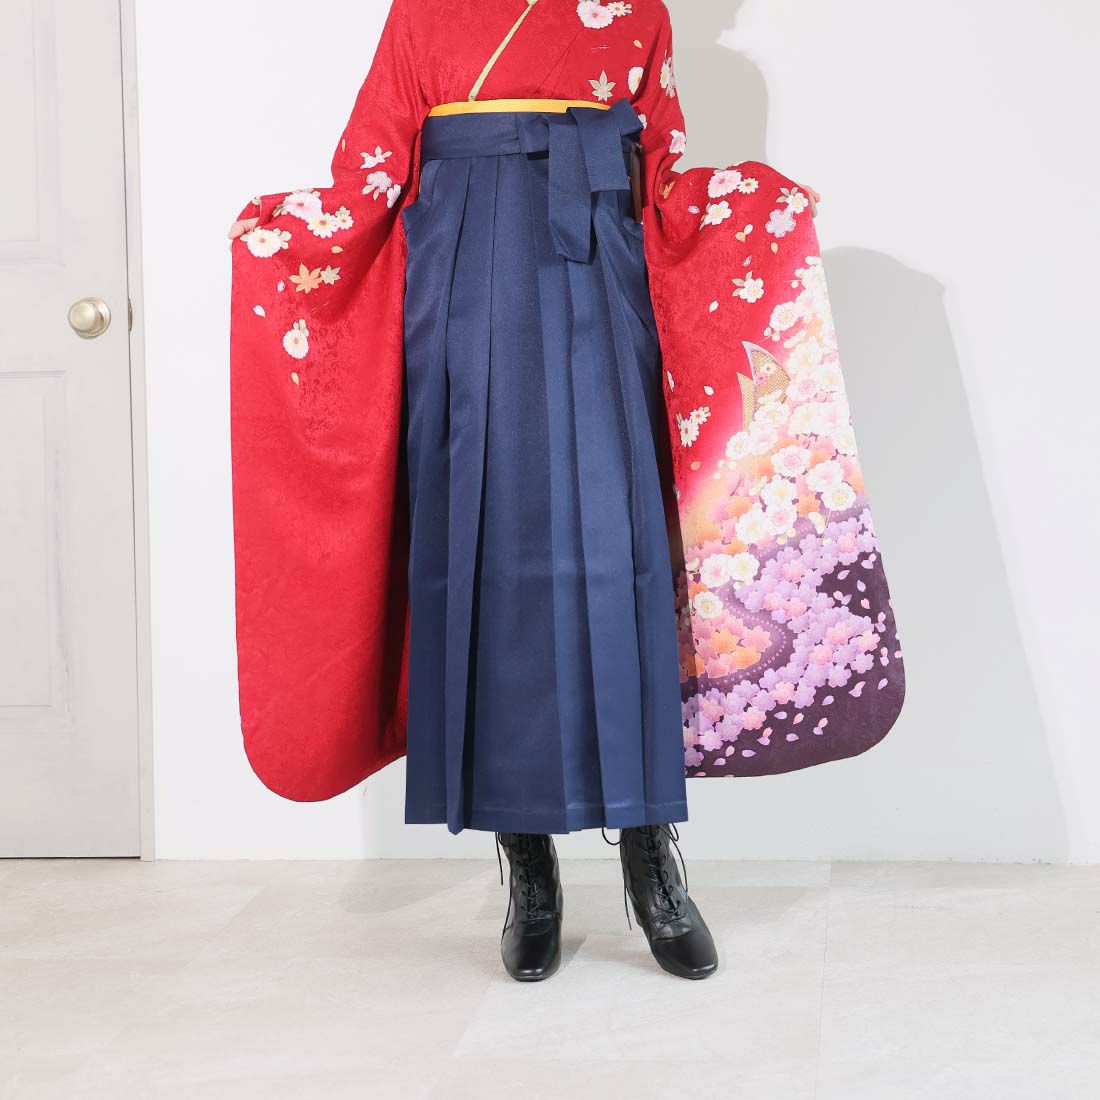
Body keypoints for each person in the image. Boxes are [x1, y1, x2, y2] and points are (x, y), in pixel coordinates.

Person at [227, 0, 901, 984]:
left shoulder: (637, 14)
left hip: (599, 273)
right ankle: (528, 866)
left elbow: (663, 177)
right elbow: (369, 171)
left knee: (623, 557)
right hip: (466, 289)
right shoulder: (424, 12)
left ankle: (650, 857)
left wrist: (754, 204)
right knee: (488, 563)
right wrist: (283, 235)